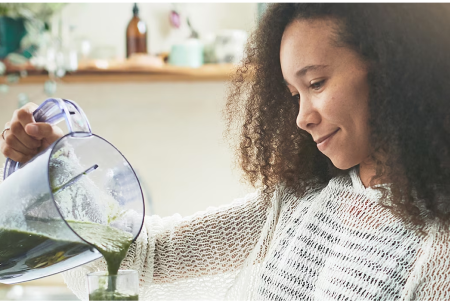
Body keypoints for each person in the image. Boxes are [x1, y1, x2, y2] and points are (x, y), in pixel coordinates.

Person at [2, 2, 450, 300]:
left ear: (393, 70)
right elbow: (141, 257)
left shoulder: (440, 246)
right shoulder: (297, 204)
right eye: (293, 94)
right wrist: (54, 167)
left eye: (315, 84)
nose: (302, 117)